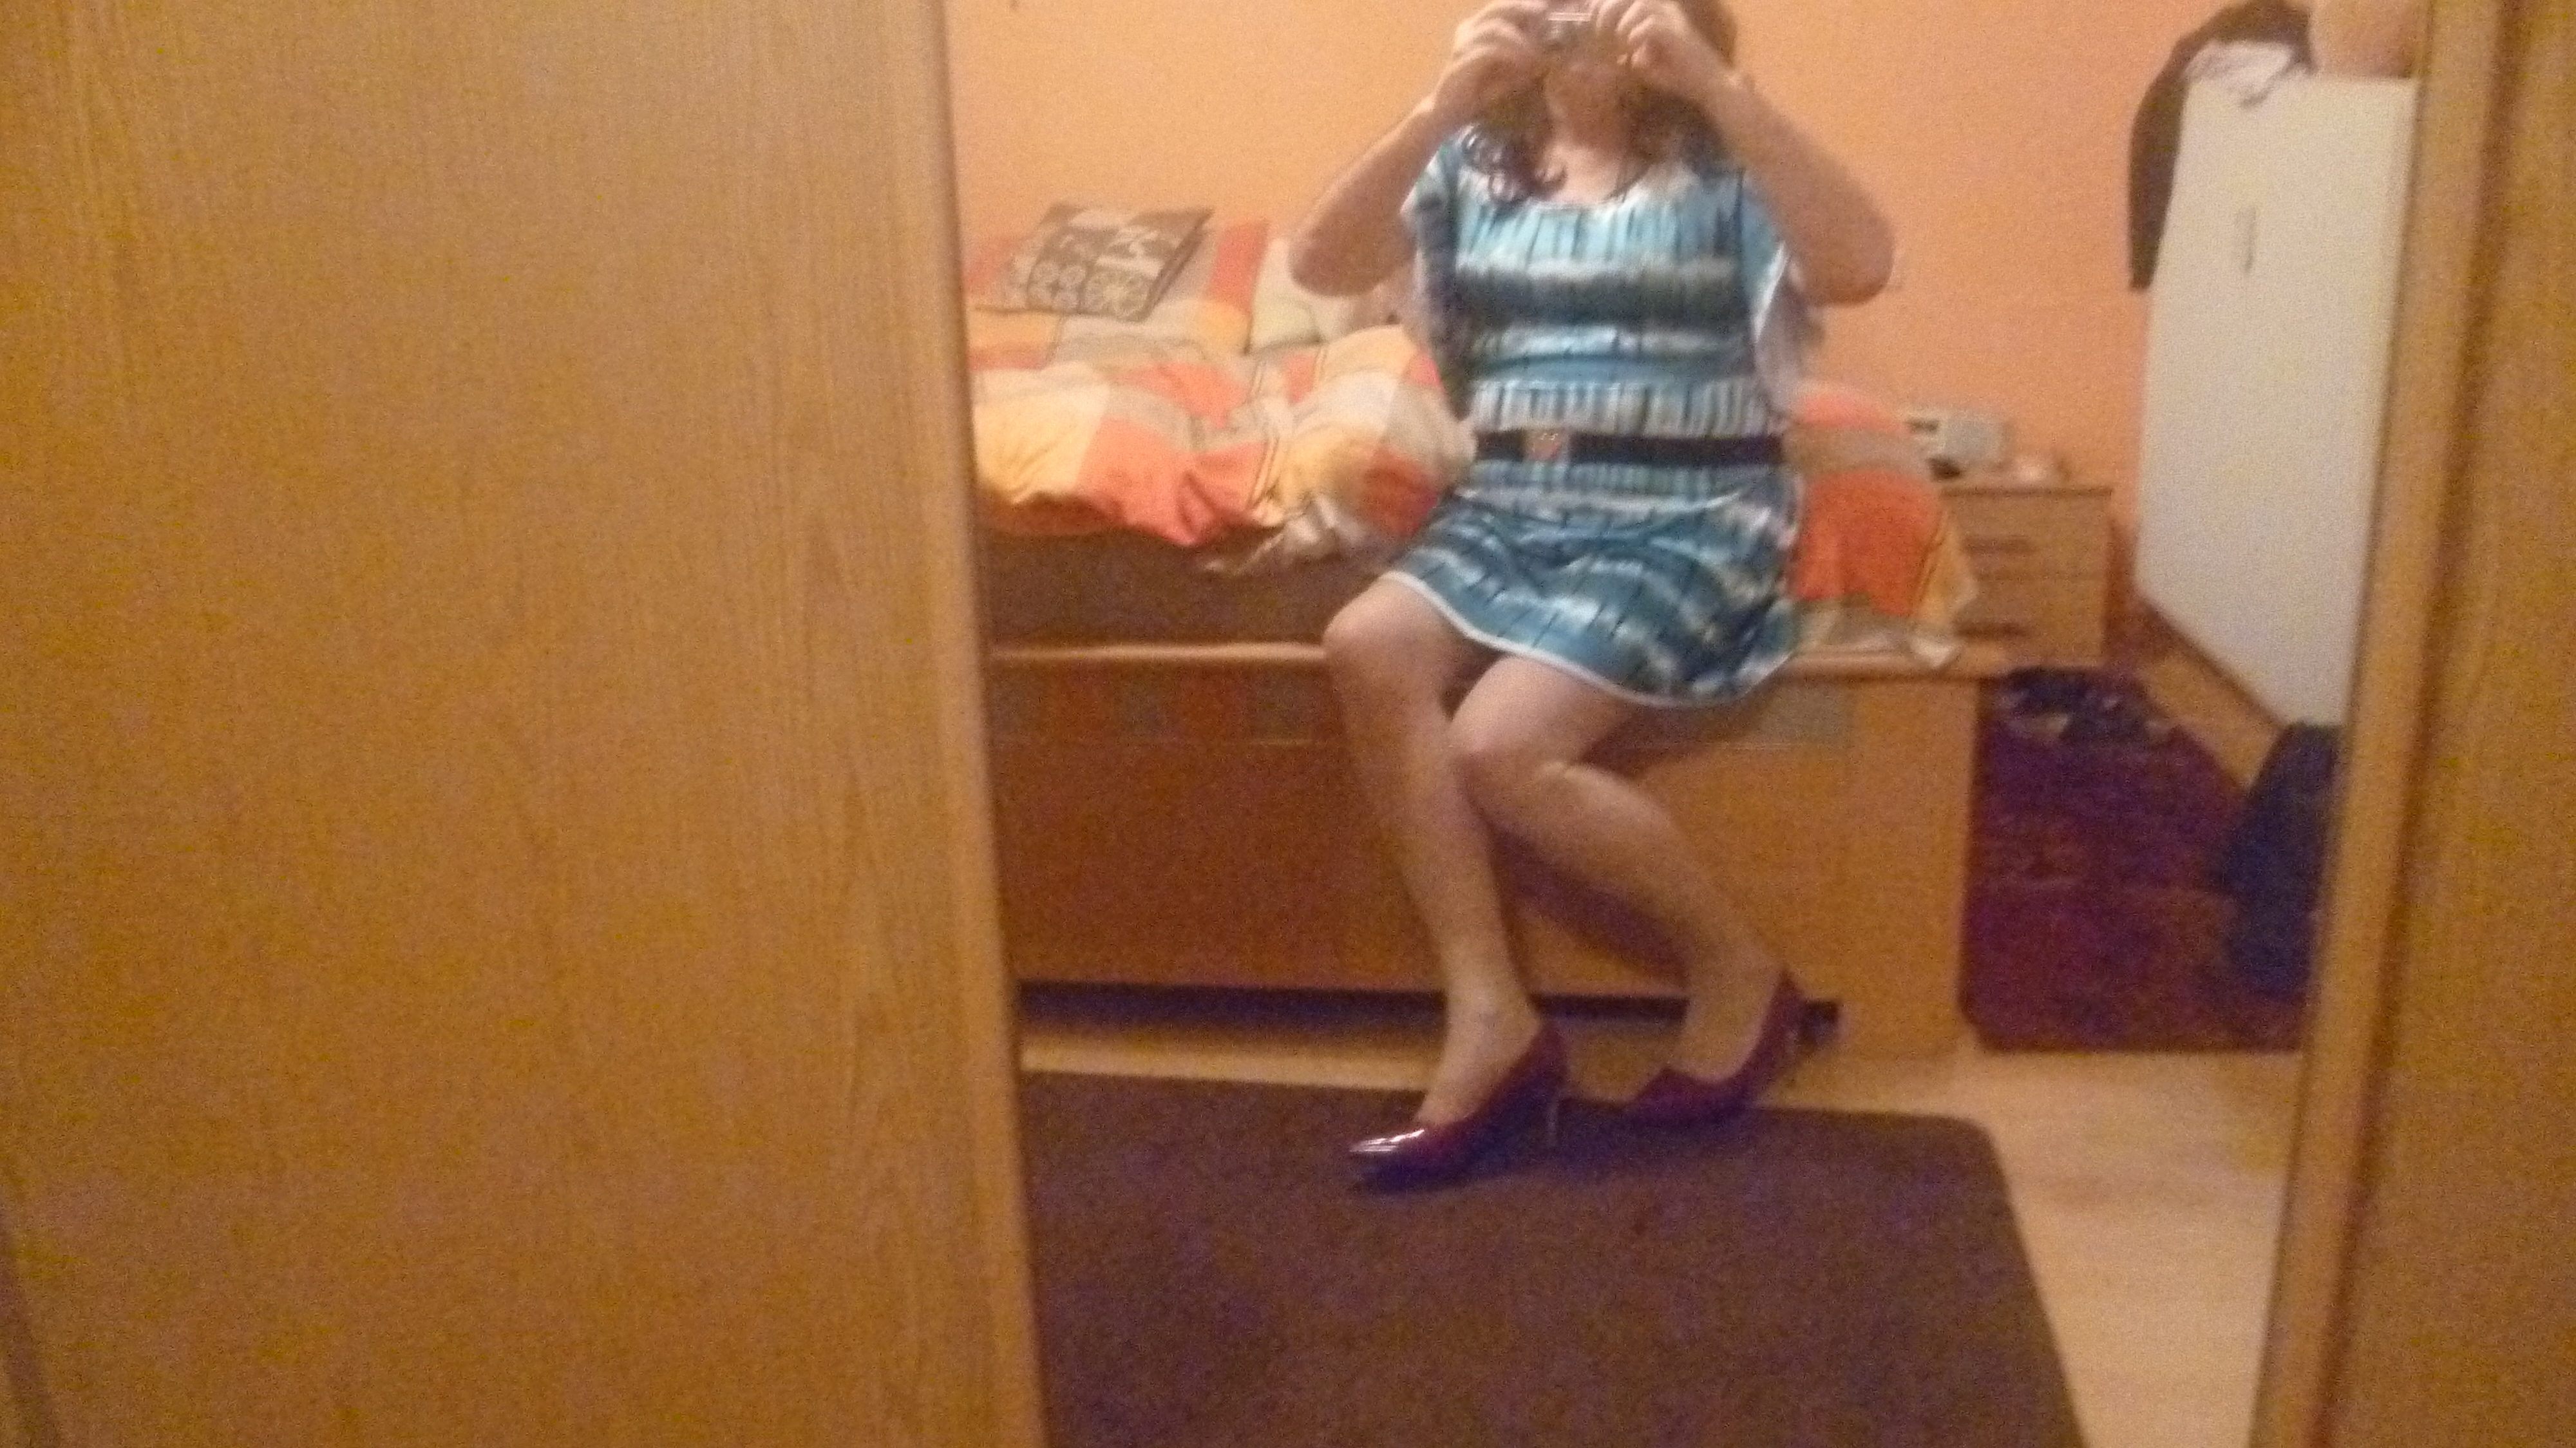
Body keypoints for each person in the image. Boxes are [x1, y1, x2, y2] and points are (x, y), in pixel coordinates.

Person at [1287, 0, 1893, 1185]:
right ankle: (1490, 1014)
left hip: (1687, 510)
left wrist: (1716, 87)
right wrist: (1437, 108)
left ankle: (1738, 968)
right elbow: (1322, 264)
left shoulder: (1727, 153)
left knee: (1500, 747)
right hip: (1512, 502)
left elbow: (1861, 263)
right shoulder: (1476, 157)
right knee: (1366, 641)